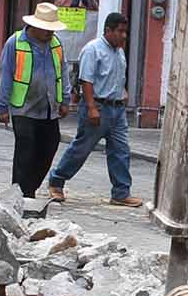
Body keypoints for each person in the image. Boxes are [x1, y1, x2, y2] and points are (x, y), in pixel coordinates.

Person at [45, 13, 140, 207]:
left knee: (121, 151)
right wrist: (91, 108)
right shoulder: (93, 50)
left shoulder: (119, 52)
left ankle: (121, 193)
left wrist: (123, 92)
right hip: (97, 107)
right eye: (120, 31)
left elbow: (117, 77)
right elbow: (86, 80)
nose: (124, 36)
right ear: (108, 31)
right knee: (82, 148)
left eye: (125, 32)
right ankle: (56, 181)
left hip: (117, 110)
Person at [0, 1, 70, 201]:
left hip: (48, 108)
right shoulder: (15, 42)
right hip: (23, 108)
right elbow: (6, 74)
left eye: (52, 30)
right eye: (46, 29)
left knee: (49, 146)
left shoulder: (56, 44)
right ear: (35, 26)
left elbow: (62, 72)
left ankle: (29, 189)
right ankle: (21, 195)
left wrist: (65, 100)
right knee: (25, 151)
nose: (49, 33)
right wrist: (2, 106)